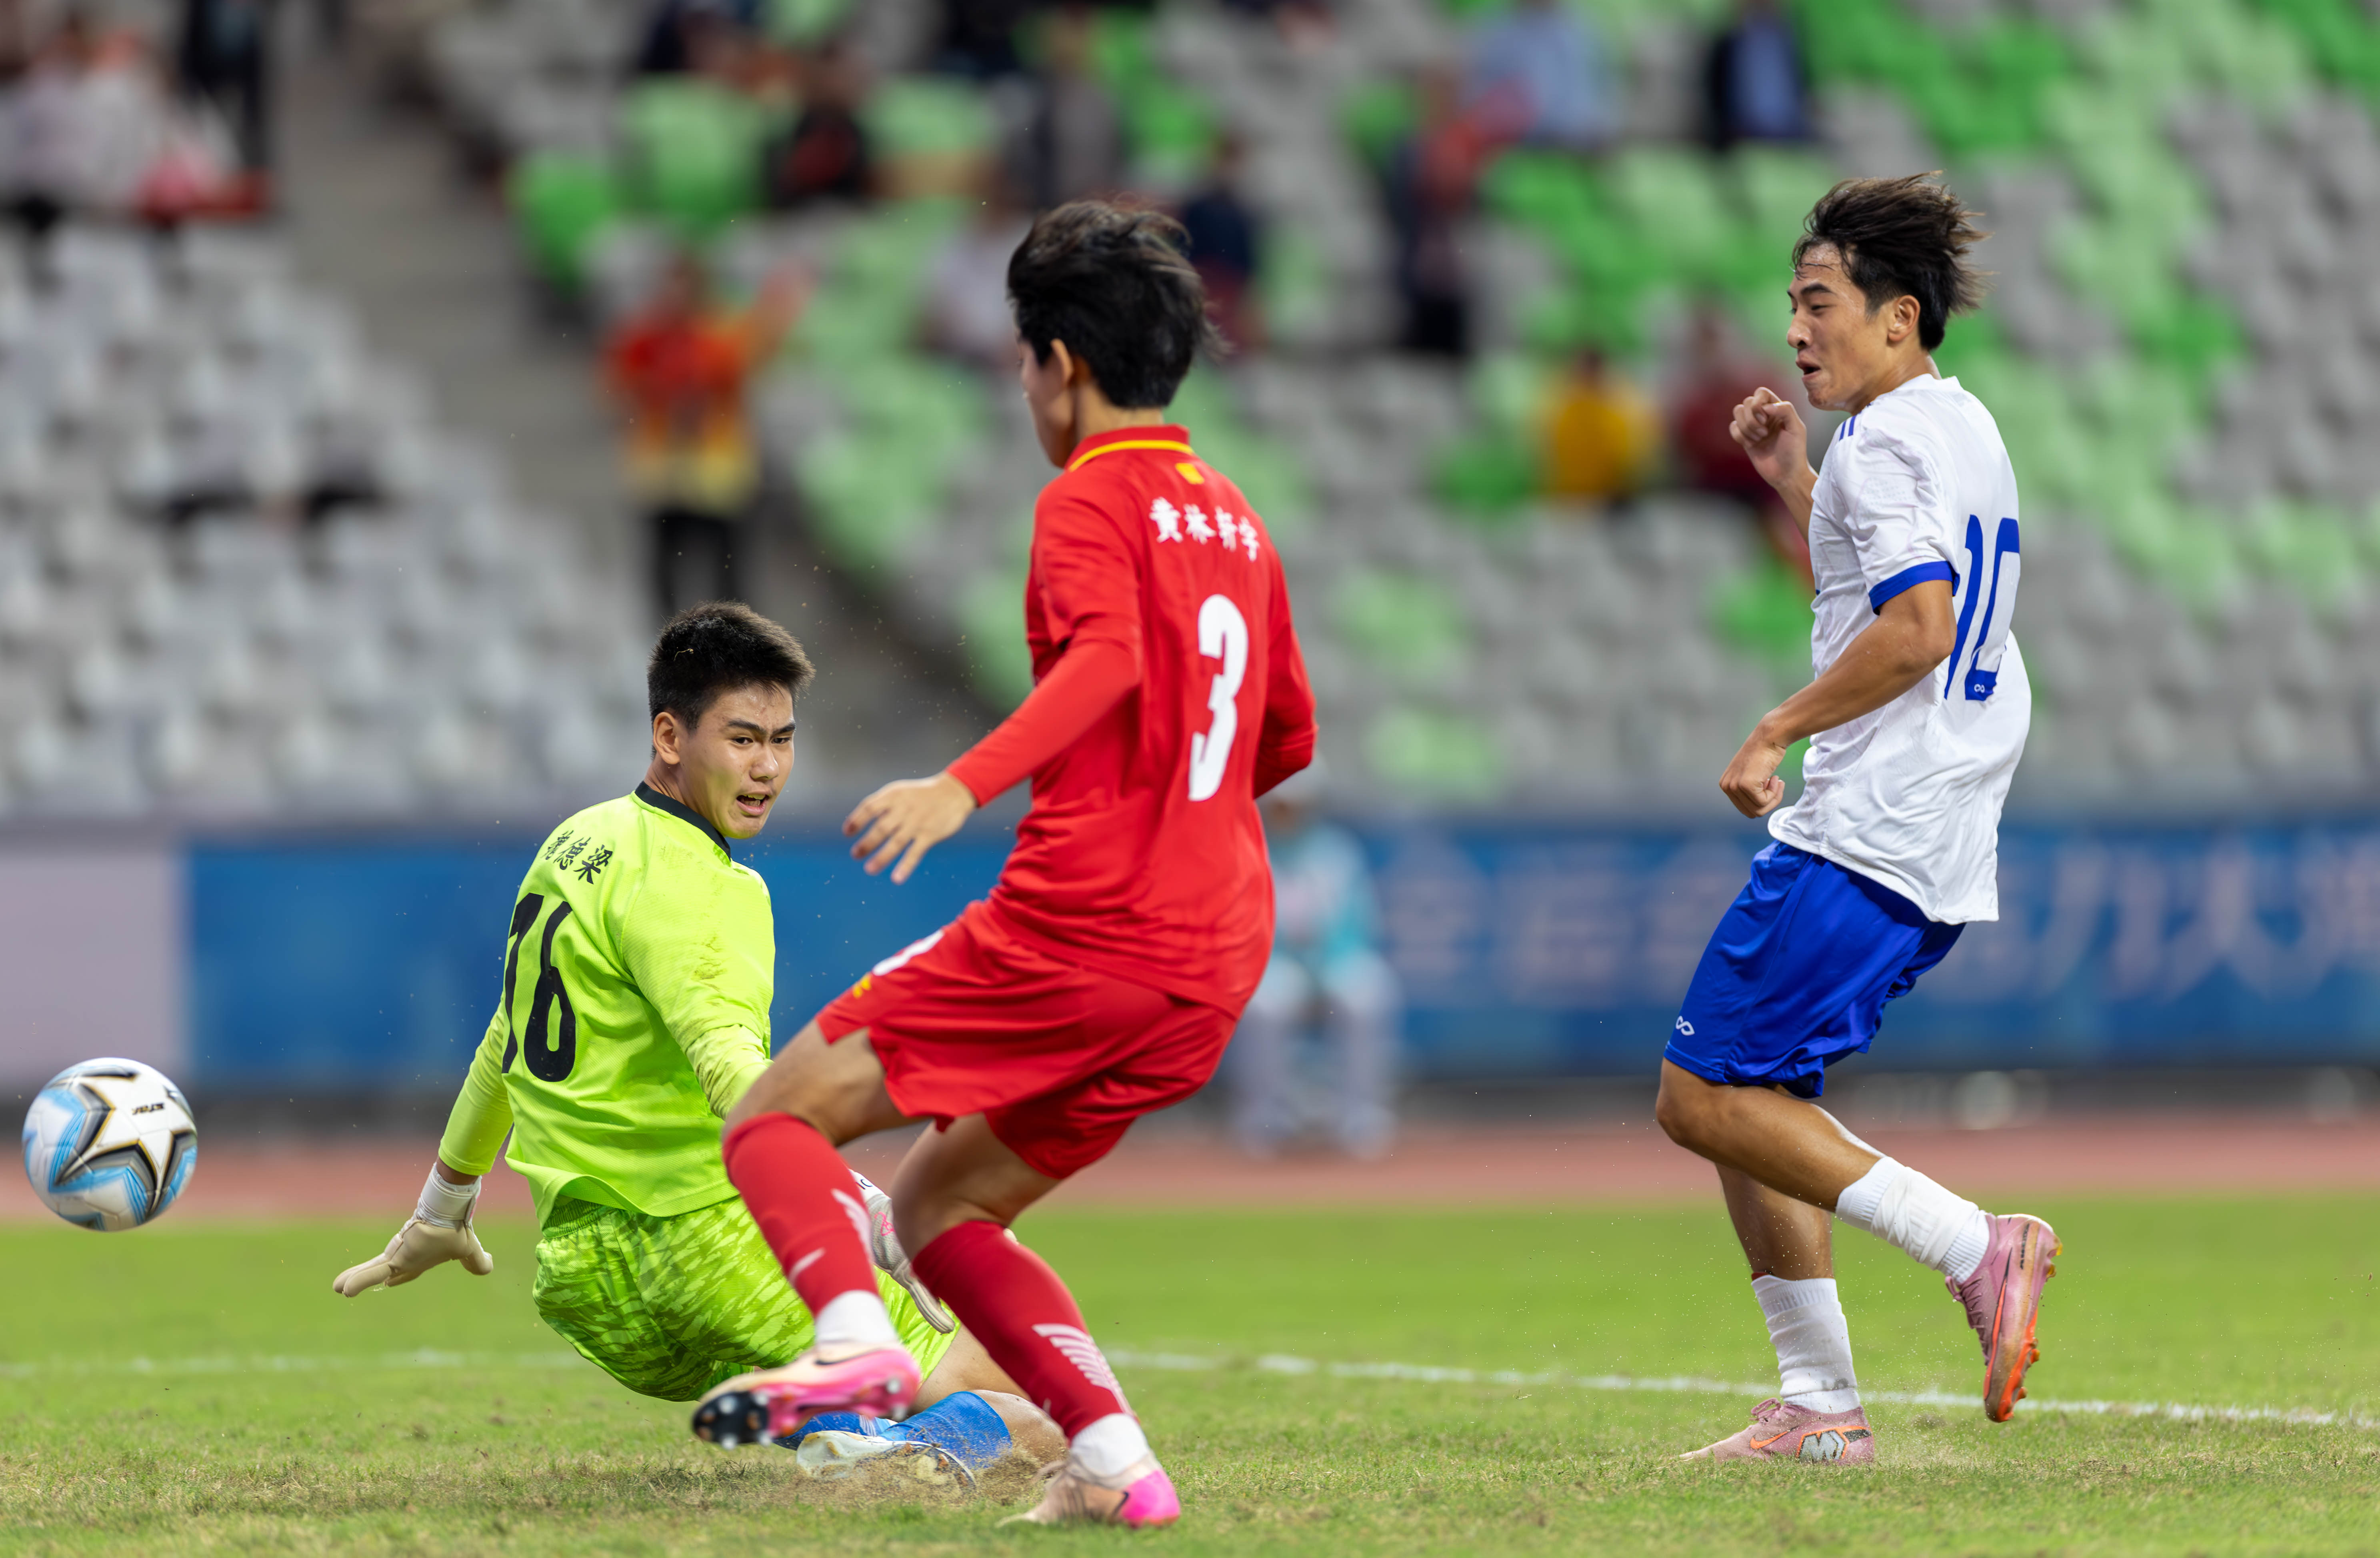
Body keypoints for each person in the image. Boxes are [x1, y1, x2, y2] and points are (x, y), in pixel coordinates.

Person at [693, 202, 1316, 1529]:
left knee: (774, 1119)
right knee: (942, 1203)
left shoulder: (1088, 498)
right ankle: (1114, 1463)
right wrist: (1180, 816)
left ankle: (854, 1342)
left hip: (1087, 926)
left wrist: (958, 783)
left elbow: (1110, 661)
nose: (1022, 387)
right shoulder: (1236, 520)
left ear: (1062, 365)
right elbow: (1286, 733)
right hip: (1214, 959)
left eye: (1022, 361)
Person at [328, 603, 1064, 1485]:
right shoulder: (713, 889)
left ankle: (839, 1424)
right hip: (705, 1253)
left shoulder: (575, 843)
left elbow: (506, 1044)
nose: (766, 769)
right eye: (743, 739)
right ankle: (886, 1459)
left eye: (783, 741)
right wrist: (871, 1211)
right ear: (669, 735)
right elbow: (735, 1077)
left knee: (879, 1365)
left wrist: (440, 1212)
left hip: (584, 1288)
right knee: (1037, 1410)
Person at [1652, 175, 2049, 1464]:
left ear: (1898, 315)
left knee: (1699, 1090)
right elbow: (1876, 589)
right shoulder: (1956, 425)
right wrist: (1793, 480)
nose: (1798, 330)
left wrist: (1776, 726)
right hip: (1935, 815)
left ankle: (1971, 1244)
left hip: (1874, 816)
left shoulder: (1889, 443)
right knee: (1754, 1086)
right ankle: (1820, 1405)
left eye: (1819, 303)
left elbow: (1918, 628)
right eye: (1792, 306)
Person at [604, 254, 801, 619]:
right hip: (664, 472)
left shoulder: (723, 333)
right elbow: (617, 389)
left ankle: (736, 640)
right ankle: (667, 638)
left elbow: (761, 352)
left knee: (728, 568)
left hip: (718, 470)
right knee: (665, 565)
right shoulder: (645, 337)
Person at [1228, 765, 1399, 1158]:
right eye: (1283, 808)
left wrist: (1322, 964)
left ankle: (1361, 1118)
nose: (1290, 816)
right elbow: (1243, 926)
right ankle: (1267, 1120)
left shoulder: (1337, 854)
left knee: (1366, 992)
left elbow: (1360, 924)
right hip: (1275, 965)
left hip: (1333, 963)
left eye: (1298, 807)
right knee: (1266, 1003)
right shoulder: (1251, 850)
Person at [1668, 304, 1811, 581]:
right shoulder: (1690, 397)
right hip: (1710, 488)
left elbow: (1782, 431)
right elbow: (1687, 445)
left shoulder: (1759, 385)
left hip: (1761, 486)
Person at [1465, 0, 1616, 151]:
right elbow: (1479, 107)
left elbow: (1601, 102)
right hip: (1521, 151)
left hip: (1580, 150)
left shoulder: (1584, 34)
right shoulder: (1497, 35)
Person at [1177, 133, 1263, 351]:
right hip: (1201, 296)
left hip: (1231, 304)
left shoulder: (1245, 212)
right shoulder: (1196, 208)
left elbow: (1249, 266)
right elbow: (1183, 255)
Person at [1541, 346, 1656, 504]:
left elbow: (1626, 463)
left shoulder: (1618, 413)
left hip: (1605, 501)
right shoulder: (1561, 413)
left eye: (1591, 371)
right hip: (1569, 499)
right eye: (1583, 371)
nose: (1587, 377)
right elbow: (1552, 459)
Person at [1703, 0, 1812, 151]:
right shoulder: (1728, 42)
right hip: (1742, 136)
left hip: (1792, 136)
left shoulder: (1793, 41)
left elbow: (1803, 84)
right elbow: (1717, 93)